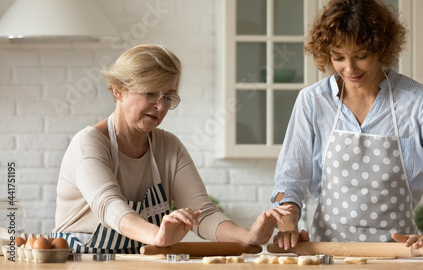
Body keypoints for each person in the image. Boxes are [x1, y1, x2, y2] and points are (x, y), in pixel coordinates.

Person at [271, 0, 423, 250]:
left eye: (361, 55)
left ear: (381, 48)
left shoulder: (419, 102)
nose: (349, 69)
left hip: (396, 257)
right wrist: (287, 226)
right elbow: (290, 183)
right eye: (338, 57)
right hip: (328, 255)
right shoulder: (313, 102)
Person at [52, 44, 291, 253]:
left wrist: (248, 236)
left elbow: (203, 213)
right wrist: (157, 236)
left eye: (168, 97)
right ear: (118, 91)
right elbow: (109, 206)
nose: (160, 106)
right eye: (150, 93)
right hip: (80, 261)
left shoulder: (169, 147)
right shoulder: (89, 143)